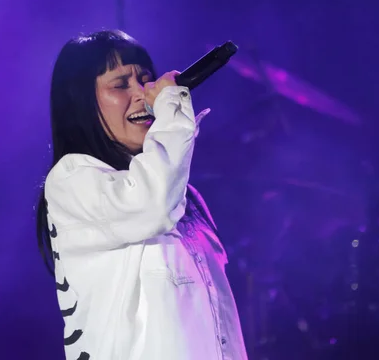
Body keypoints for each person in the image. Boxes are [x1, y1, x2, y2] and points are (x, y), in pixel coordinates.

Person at [36, 30, 247, 360]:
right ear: (81, 103)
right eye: (121, 85)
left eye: (146, 80)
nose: (144, 95)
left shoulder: (181, 195)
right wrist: (173, 107)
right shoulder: (73, 179)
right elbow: (151, 207)